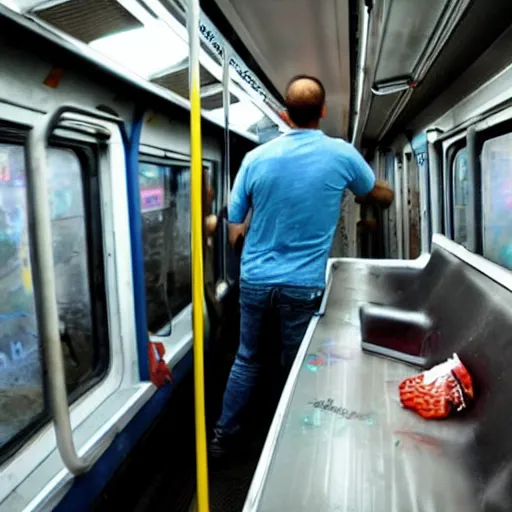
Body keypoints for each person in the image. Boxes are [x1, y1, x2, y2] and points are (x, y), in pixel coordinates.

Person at [209, 75, 393, 458]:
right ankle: (297, 440)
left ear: (284, 114)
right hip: (302, 284)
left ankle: (224, 438)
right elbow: (371, 193)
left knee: (247, 358)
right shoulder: (341, 154)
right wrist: (386, 193)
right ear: (323, 111)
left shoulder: (254, 159)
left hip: (256, 279)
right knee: (297, 364)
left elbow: (237, 216)